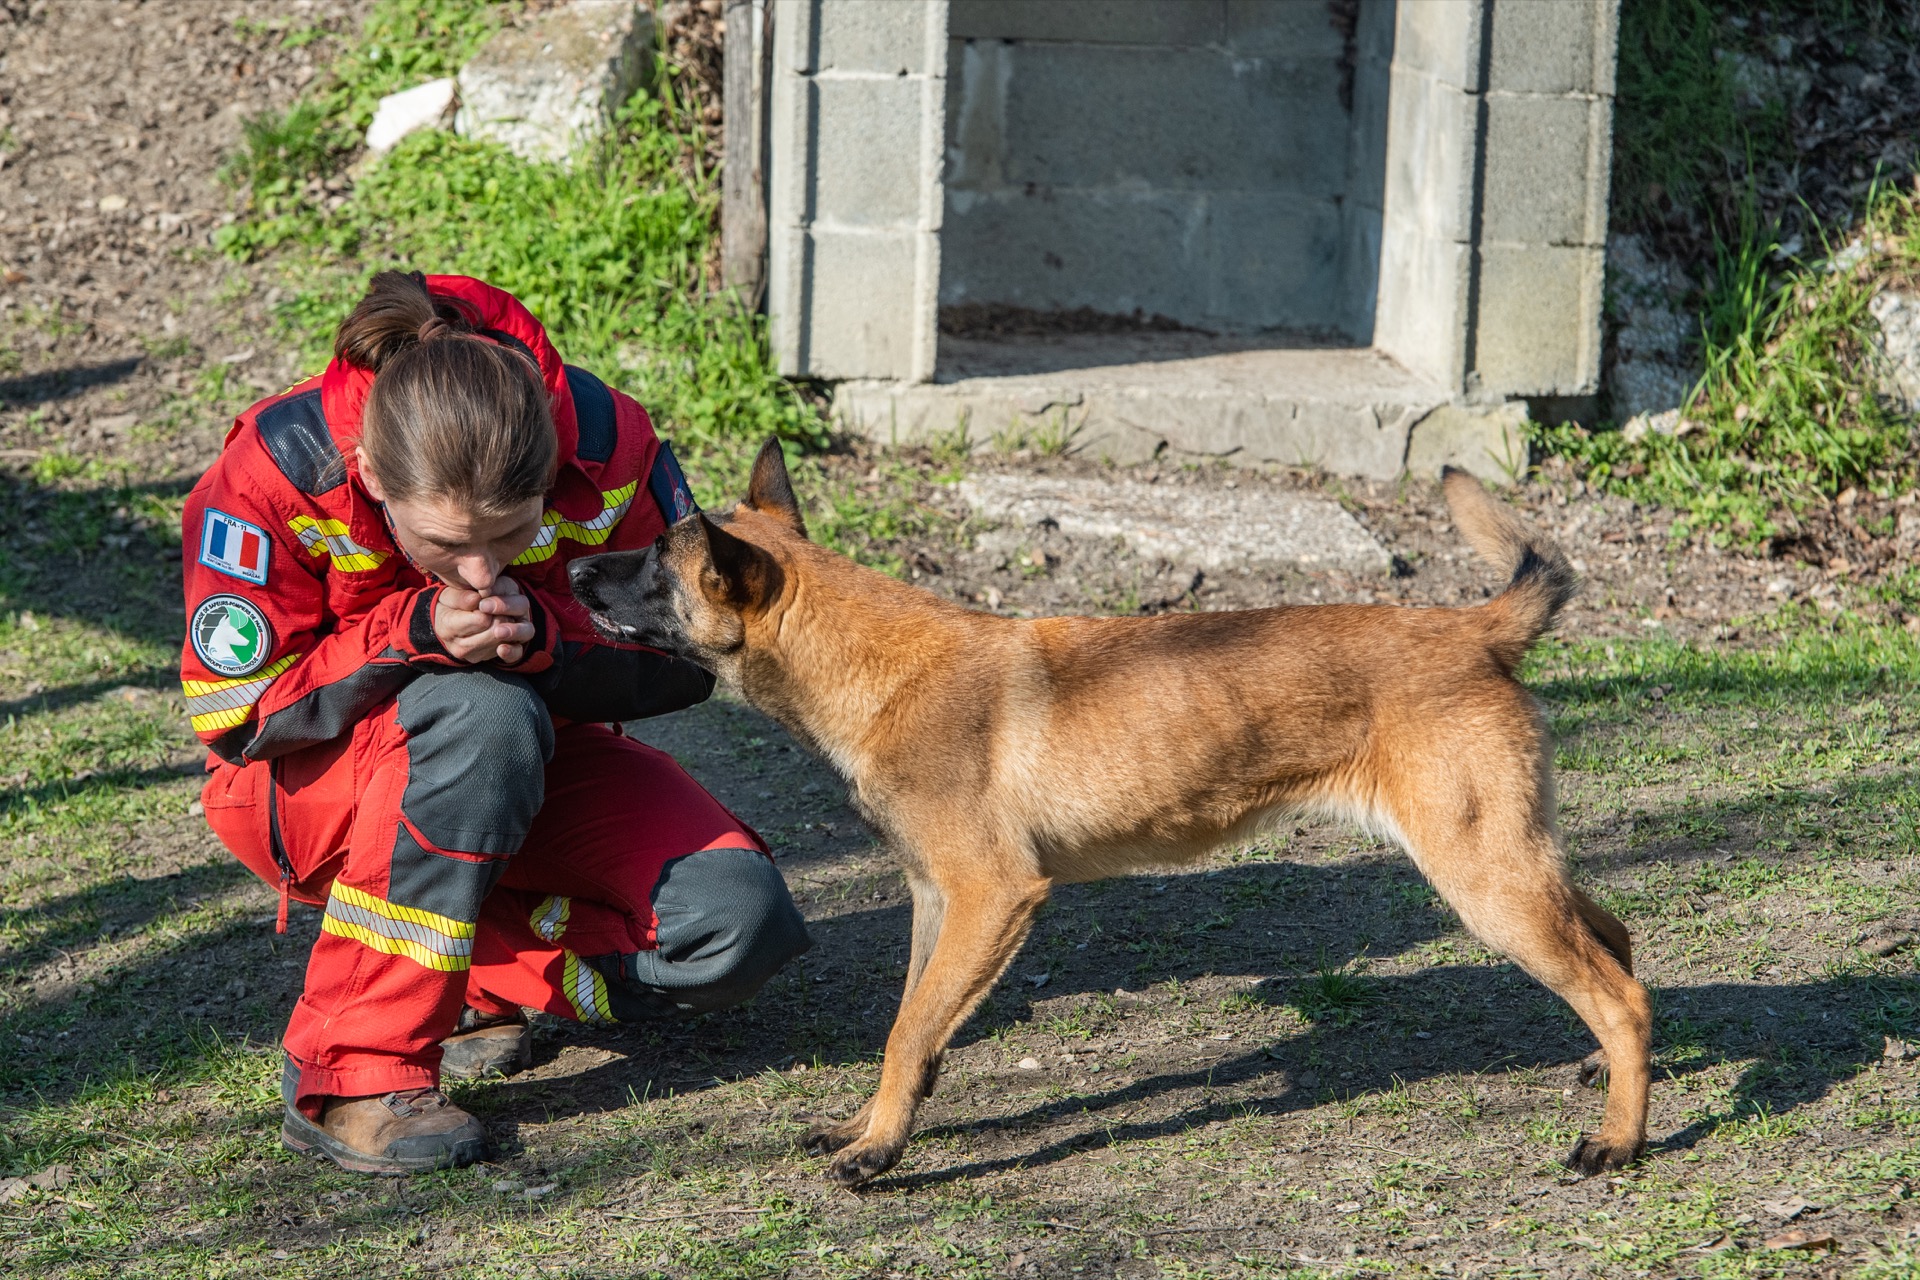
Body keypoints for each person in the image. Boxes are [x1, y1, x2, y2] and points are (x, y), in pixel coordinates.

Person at [179, 271, 809, 1175]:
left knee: (738, 926)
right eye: (443, 546)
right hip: (306, 790)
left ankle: (476, 967)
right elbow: (237, 717)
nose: (478, 576)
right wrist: (409, 632)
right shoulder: (276, 473)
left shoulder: (610, 445)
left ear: (550, 466)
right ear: (368, 473)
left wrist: (548, 640)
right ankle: (356, 1076)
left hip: (536, 760)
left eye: (509, 536)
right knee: (480, 711)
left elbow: (694, 656)